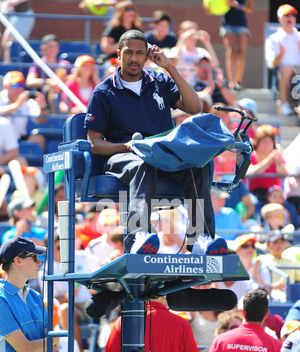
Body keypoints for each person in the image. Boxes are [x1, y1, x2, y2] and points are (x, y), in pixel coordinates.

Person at [84, 29, 224, 256]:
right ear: (118, 54)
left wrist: (169, 66)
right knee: (143, 164)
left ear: (147, 56)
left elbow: (194, 107)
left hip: (161, 155)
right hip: (123, 157)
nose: (134, 58)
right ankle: (138, 236)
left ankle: (200, 239)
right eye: (128, 52)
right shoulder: (103, 92)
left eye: (140, 53)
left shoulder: (159, 81)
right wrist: (126, 146)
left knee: (197, 167)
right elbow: (94, 143)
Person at [265, 4, 300, 116]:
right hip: (283, 71)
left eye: (293, 15)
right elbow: (271, 64)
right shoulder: (273, 39)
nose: (290, 18)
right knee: (287, 69)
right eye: (287, 15)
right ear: (280, 19)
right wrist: (282, 53)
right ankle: (284, 105)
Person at [0, 71, 48, 151]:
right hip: (2, 139)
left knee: (39, 139)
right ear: (6, 87)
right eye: (15, 85)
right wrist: (17, 105)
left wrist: (43, 108)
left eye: (21, 85)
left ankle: (40, 163)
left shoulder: (27, 101)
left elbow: (42, 120)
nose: (19, 88)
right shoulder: (1, 97)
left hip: (19, 138)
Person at [26, 34, 72, 114]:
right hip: (45, 93)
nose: (53, 49)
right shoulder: (38, 63)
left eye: (55, 46)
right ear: (43, 48)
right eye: (50, 46)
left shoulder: (65, 64)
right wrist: (49, 81)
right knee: (51, 89)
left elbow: (73, 79)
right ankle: (54, 116)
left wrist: (62, 80)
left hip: (63, 93)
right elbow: (30, 81)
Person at [168, 20, 220, 85]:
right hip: (179, 86)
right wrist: (182, 38)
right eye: (188, 31)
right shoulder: (176, 50)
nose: (192, 34)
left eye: (194, 32)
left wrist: (207, 43)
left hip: (198, 88)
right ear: (181, 33)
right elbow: (172, 60)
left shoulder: (201, 52)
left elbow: (215, 65)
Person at [246, 124, 287, 202]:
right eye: (264, 141)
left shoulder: (276, 156)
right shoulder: (250, 156)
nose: (267, 144)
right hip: (255, 194)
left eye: (270, 141)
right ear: (258, 142)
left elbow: (284, 174)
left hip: (274, 195)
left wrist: (279, 163)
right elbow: (249, 173)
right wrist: (267, 161)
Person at [219, 0, 254, 90]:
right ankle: (231, 82)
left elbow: (250, 9)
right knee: (231, 51)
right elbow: (216, 5)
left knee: (241, 53)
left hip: (241, 24)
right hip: (227, 24)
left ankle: (238, 80)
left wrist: (238, 6)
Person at [259, 230, 300, 301]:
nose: (279, 245)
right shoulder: (261, 260)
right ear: (268, 244)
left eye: (282, 242)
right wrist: (274, 286)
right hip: (270, 296)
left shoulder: (292, 259)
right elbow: (256, 284)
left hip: (292, 295)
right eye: (275, 242)